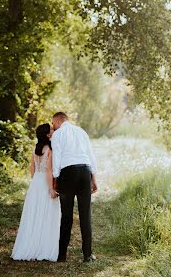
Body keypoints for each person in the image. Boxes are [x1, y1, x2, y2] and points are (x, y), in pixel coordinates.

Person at [51, 111, 98, 263]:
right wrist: (93, 178)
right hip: (84, 171)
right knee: (85, 215)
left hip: (67, 173)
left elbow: (57, 157)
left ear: (58, 121)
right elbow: (91, 156)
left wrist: (56, 179)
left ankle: (62, 255)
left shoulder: (58, 135)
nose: (53, 126)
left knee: (66, 216)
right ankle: (87, 255)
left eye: (53, 123)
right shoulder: (81, 131)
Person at [11, 123, 61, 261]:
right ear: (47, 135)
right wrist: (51, 188)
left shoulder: (35, 149)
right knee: (46, 213)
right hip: (45, 182)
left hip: (35, 183)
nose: (53, 131)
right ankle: (43, 247)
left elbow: (32, 169)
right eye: (51, 130)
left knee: (34, 213)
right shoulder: (50, 149)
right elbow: (50, 171)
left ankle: (30, 244)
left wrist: (35, 183)